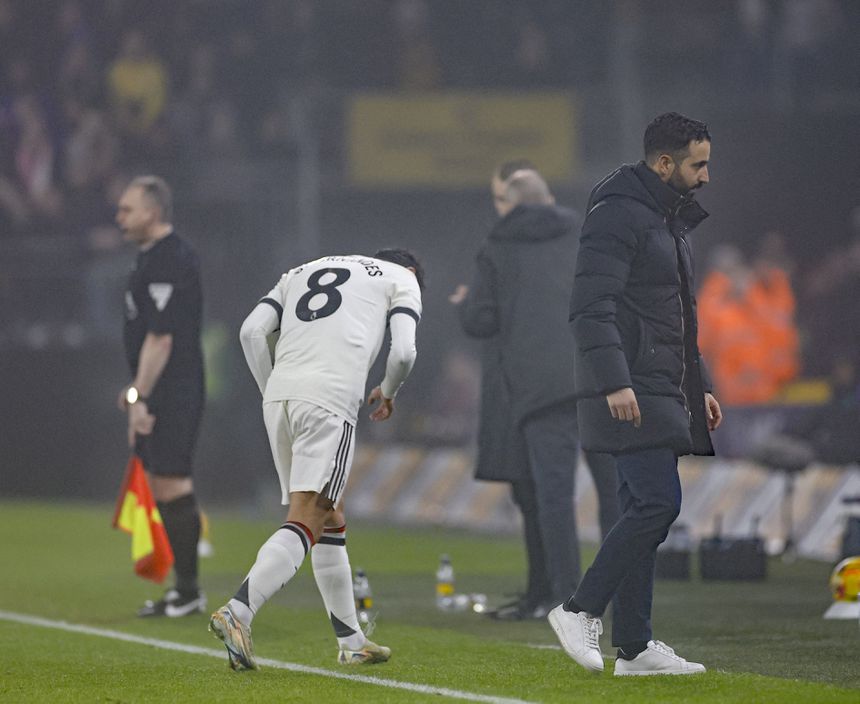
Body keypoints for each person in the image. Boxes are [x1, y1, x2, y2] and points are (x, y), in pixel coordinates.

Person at [548, 112, 723, 676]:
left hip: (658, 385)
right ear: (664, 163)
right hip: (632, 387)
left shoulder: (664, 220)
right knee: (657, 505)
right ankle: (578, 610)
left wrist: (702, 387)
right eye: (698, 165)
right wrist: (614, 381)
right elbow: (589, 308)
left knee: (640, 510)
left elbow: (675, 317)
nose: (705, 176)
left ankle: (636, 647)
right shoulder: (618, 215)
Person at [209, 249, 423, 671]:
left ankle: (351, 641)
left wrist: (271, 389)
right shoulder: (403, 278)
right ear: (413, 272)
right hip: (329, 399)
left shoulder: (302, 269)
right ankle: (239, 610)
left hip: (281, 395)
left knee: (330, 514)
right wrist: (390, 390)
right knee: (309, 514)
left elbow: (251, 332)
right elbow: (403, 354)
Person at [452, 162, 619, 619]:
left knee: (553, 497)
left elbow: (482, 319)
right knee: (614, 494)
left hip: (540, 388)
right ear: (547, 198)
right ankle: (624, 594)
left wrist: (465, 302)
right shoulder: (585, 232)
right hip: (598, 377)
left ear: (511, 202)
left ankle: (568, 601)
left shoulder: (497, 246)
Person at [115, 175, 206, 617]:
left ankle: (188, 591)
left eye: (127, 209)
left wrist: (139, 395)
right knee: (161, 484)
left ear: (153, 212)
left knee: (172, 481)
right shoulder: (149, 259)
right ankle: (183, 589)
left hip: (175, 388)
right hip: (160, 388)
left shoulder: (172, 259)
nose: (120, 217)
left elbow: (162, 339)